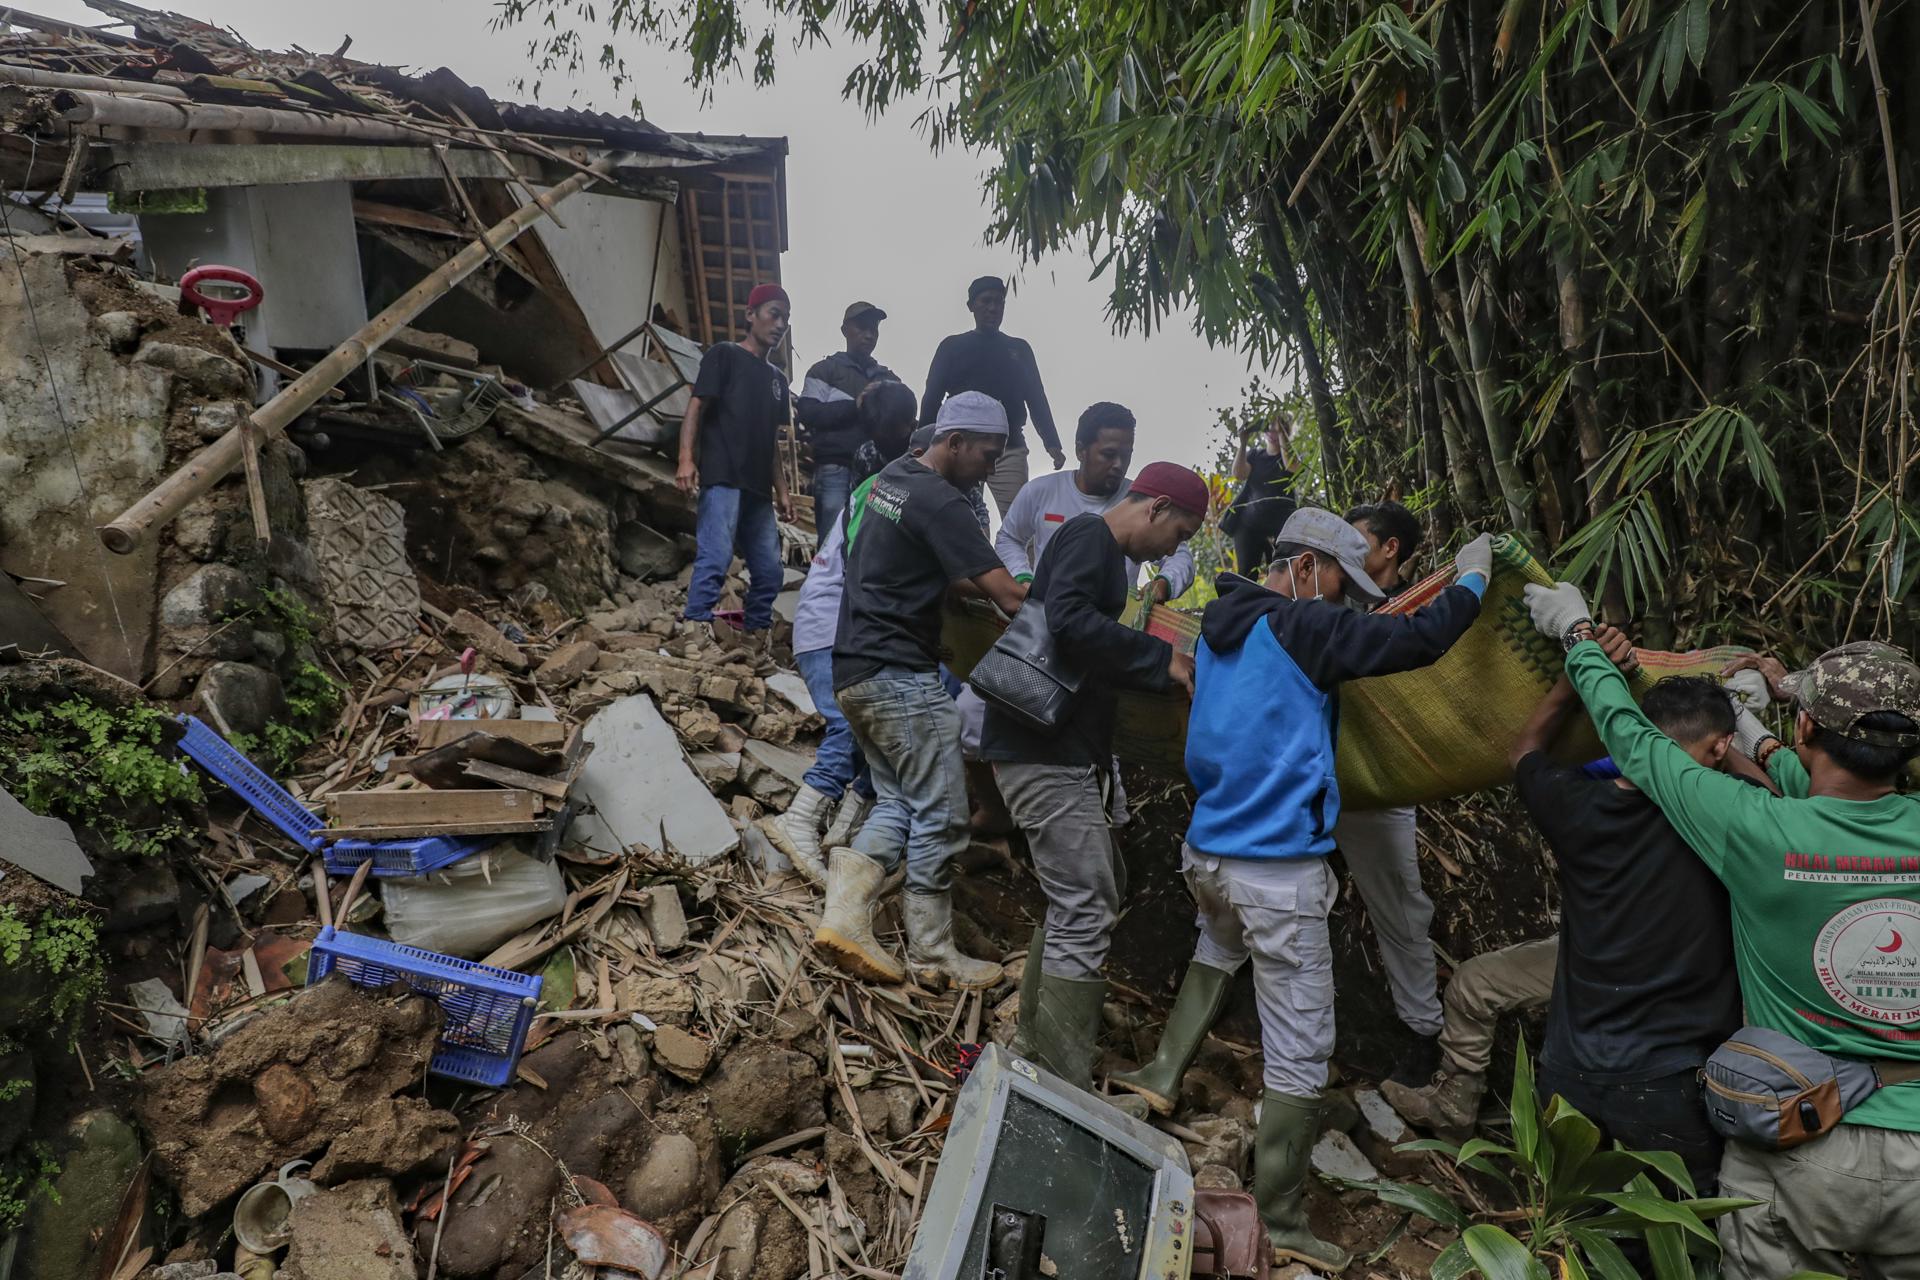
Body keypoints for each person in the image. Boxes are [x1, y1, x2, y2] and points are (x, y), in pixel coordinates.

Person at [1114, 509, 1493, 1271]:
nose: (1342, 604)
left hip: (1211, 850)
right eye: (1338, 586)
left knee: (1215, 946)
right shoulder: (1304, 627)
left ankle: (1160, 1075)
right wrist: (1475, 577)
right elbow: (1414, 641)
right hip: (1275, 871)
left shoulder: (1222, 623)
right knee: (1302, 1044)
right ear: (1309, 566)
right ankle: (1282, 1216)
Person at [1526, 582, 1920, 1279]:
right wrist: (1753, 735)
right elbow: (1829, 796)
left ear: (1805, 731)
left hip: (1800, 1140)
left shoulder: (1755, 829)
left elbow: (1636, 740)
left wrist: (1579, 635)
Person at [1391, 657, 1755, 1194]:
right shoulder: (1736, 815)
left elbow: (1525, 751)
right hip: (1667, 1068)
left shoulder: (1576, 803)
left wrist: (1570, 676)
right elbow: (1779, 800)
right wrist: (1746, 732)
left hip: (1575, 1061)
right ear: (1718, 748)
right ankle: (1452, 1107)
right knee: (1678, 1225)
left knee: (1571, 1214)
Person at [982, 462, 1208, 1091]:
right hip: (1039, 749)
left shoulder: (1104, 552)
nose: (1175, 549)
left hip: (1056, 748)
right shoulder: (1089, 538)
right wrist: (1160, 656)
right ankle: (1055, 1079)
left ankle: (1032, 1045)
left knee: (1087, 890)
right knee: (1086, 903)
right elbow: (1070, 623)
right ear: (1156, 507)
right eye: (1181, 531)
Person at [817, 392, 1029, 990]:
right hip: (901, 676)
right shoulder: (943, 500)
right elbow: (1008, 597)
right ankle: (933, 952)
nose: (990, 469)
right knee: (942, 810)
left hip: (855, 670)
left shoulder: (892, 480)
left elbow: (930, 574)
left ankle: (842, 917)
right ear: (955, 442)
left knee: (898, 802)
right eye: (987, 455)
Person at [958, 401, 1199, 834]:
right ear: (1081, 449)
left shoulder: (1116, 524)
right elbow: (1066, 616)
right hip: (1041, 713)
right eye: (1108, 453)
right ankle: (989, 816)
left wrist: (1161, 586)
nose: (1117, 463)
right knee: (1085, 898)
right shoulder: (1086, 528)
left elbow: (1177, 560)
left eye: (1125, 454)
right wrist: (1026, 580)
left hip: (1080, 692)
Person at [775, 382, 920, 883]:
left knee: (872, 731)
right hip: (829, 626)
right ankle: (798, 821)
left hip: (843, 627)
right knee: (849, 723)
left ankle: (841, 832)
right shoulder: (885, 493)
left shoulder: (888, 488)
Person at [1331, 501, 1445, 1085]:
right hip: (1311, 771)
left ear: (1389, 548)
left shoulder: (1422, 613)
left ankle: (1422, 1035)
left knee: (1400, 908)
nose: (1342, 549)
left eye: (1356, 539)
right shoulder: (1323, 595)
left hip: (1378, 783)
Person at [677, 282, 794, 658]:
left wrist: (783, 490)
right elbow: (697, 406)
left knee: (769, 569)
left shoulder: (778, 380)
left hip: (759, 490)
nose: (779, 324)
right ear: (750, 315)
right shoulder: (724, 355)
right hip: (724, 475)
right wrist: (686, 458)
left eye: (785, 319)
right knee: (716, 554)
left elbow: (772, 441)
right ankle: (695, 630)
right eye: (773, 314)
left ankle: (754, 636)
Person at [1380, 936, 1559, 1142]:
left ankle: (1451, 1113)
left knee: (1473, 987)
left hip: (1595, 958)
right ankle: (1453, 1109)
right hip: (1587, 940)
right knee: (1473, 983)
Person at [920, 275, 1065, 517]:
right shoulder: (952, 347)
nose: (993, 308)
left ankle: (1019, 557)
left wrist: (1052, 443)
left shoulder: (1019, 349)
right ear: (971, 306)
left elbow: (1036, 397)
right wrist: (922, 442)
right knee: (959, 515)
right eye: (985, 301)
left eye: (999, 302)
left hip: (1009, 448)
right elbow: (932, 397)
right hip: (961, 448)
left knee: (1020, 520)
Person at [796, 301, 896, 535]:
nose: (869, 334)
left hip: (877, 474)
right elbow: (809, 412)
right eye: (861, 327)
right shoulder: (824, 370)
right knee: (833, 536)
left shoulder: (888, 378)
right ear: (845, 330)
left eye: (874, 329)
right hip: (835, 466)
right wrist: (856, 406)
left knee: (871, 540)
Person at [1219, 414, 1297, 574]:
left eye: (1277, 429)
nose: (1272, 433)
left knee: (1281, 571)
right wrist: (1243, 442)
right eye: (1269, 428)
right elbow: (1239, 474)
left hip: (1280, 527)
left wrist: (1281, 432)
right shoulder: (1255, 455)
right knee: (1246, 574)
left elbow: (1293, 467)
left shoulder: (1289, 456)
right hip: (1248, 526)